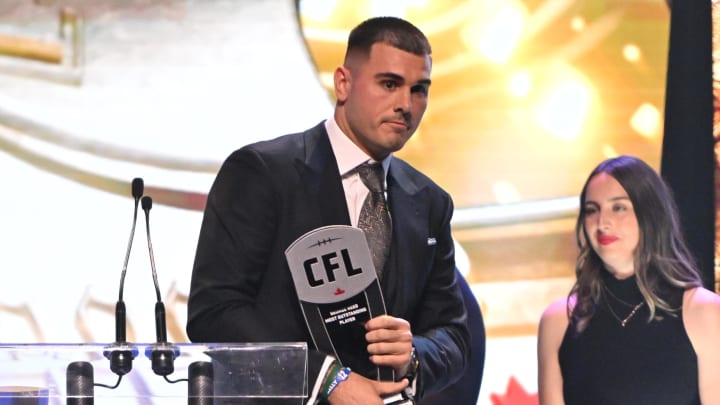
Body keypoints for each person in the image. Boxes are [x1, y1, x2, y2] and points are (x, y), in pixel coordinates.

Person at [186, 16, 469, 405]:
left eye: (419, 89)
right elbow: (215, 312)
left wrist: (414, 356)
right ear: (343, 83)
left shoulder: (431, 202)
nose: (405, 104)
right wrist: (325, 378)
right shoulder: (263, 173)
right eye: (389, 84)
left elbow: (453, 336)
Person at [537, 155, 720, 405]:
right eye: (592, 210)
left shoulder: (704, 312)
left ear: (651, 214)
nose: (602, 223)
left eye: (618, 207)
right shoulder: (558, 321)